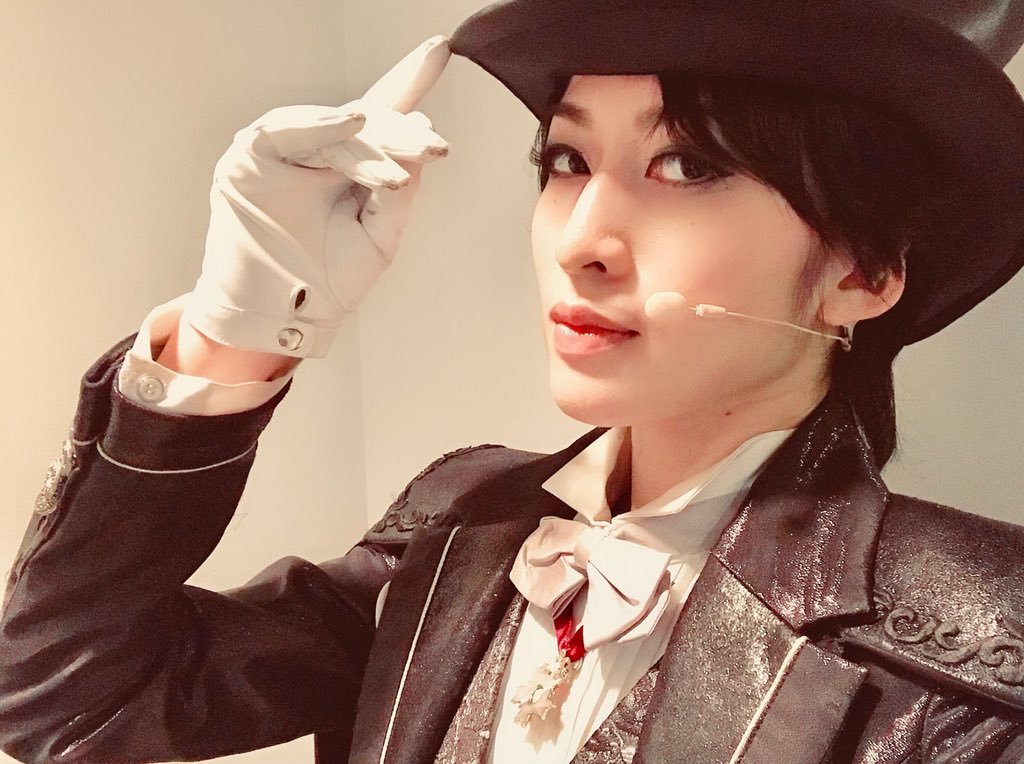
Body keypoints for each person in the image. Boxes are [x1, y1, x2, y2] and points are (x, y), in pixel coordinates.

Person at [3, 0, 1024, 762]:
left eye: (686, 166)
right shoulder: (462, 520)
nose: (581, 242)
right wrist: (236, 334)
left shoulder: (981, 643)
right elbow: (64, 700)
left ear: (863, 272)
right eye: (568, 159)